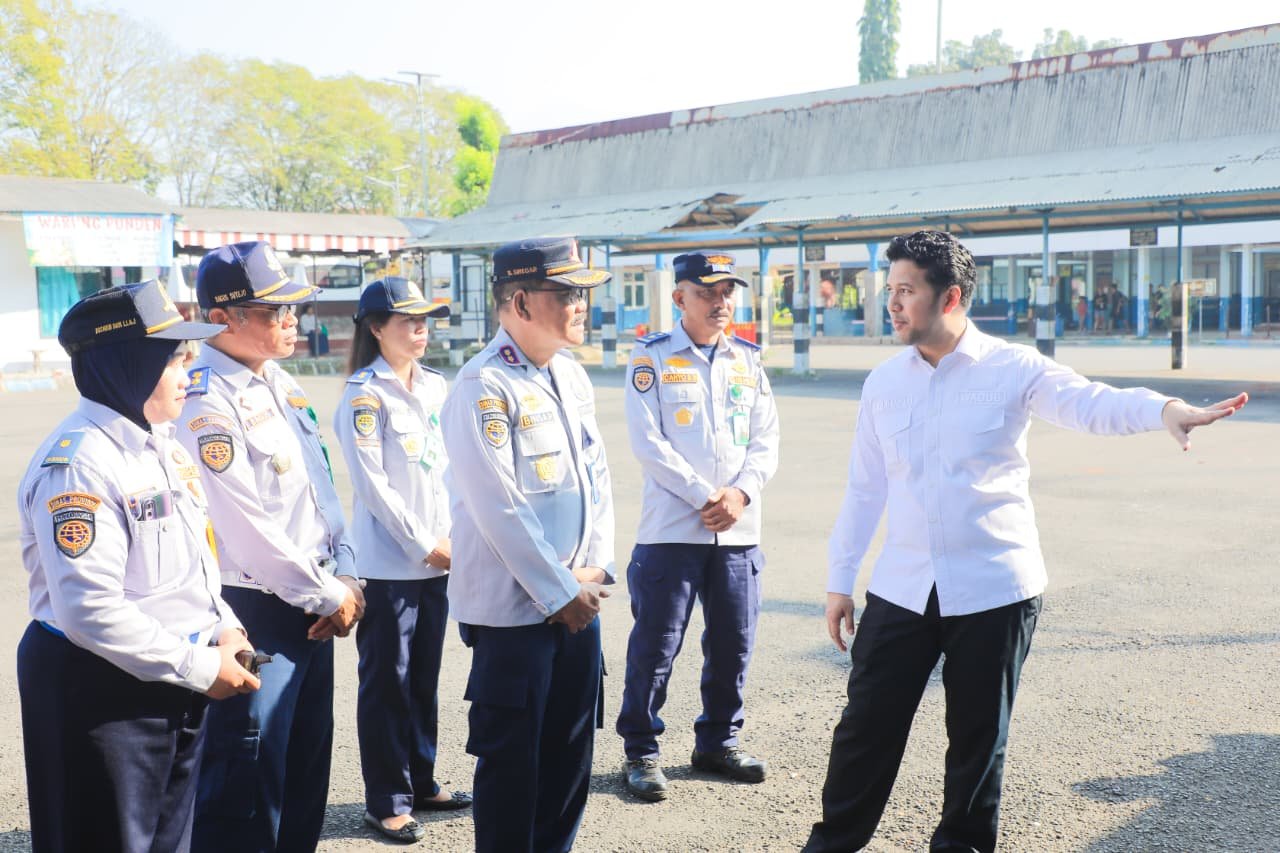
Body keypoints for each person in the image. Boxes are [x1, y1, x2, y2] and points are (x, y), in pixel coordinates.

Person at [803, 230, 1247, 853]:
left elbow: (1091, 403)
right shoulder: (884, 383)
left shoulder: (1013, 367)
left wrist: (1164, 408)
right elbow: (864, 489)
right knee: (865, 729)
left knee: (978, 738)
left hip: (995, 588)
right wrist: (839, 581)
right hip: (903, 587)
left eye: (906, 290)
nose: (892, 304)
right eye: (890, 290)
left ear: (949, 296)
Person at [17, 280, 261, 853]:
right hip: (102, 691)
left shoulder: (162, 445)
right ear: (128, 361)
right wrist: (200, 666)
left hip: (171, 676)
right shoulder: (80, 464)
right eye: (174, 357)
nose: (189, 370)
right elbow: (90, 612)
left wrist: (224, 626)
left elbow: (195, 561)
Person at [180, 241, 366, 853]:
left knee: (303, 772)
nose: (292, 321)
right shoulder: (205, 398)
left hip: (314, 598)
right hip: (254, 609)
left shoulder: (277, 379)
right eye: (274, 311)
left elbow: (321, 490)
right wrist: (327, 594)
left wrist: (346, 574)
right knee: (247, 783)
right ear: (222, 317)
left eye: (294, 309)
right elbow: (244, 527)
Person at [440, 236, 615, 853]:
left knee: (569, 760)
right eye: (565, 293)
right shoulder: (482, 385)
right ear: (519, 302)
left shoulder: (570, 374)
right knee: (513, 768)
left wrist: (594, 566)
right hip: (516, 615)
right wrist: (559, 590)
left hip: (578, 600)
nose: (580, 304)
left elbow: (597, 478)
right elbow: (499, 506)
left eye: (582, 292)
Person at [616, 251, 780, 802]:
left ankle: (718, 743)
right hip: (672, 531)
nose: (720, 302)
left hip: (738, 531)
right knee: (656, 648)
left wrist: (740, 493)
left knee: (734, 644)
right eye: (707, 292)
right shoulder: (652, 358)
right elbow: (647, 442)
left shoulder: (748, 360)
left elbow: (766, 440)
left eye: (727, 292)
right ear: (679, 297)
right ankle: (641, 752)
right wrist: (705, 496)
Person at [332, 278, 470, 844]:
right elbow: (374, 487)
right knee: (387, 683)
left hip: (440, 560)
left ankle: (422, 779)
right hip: (390, 566)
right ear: (375, 328)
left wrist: (453, 539)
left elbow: (451, 471)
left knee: (424, 679)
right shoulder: (364, 395)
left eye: (424, 319)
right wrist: (424, 544)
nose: (421, 329)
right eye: (408, 320)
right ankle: (387, 800)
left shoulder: (437, 385)